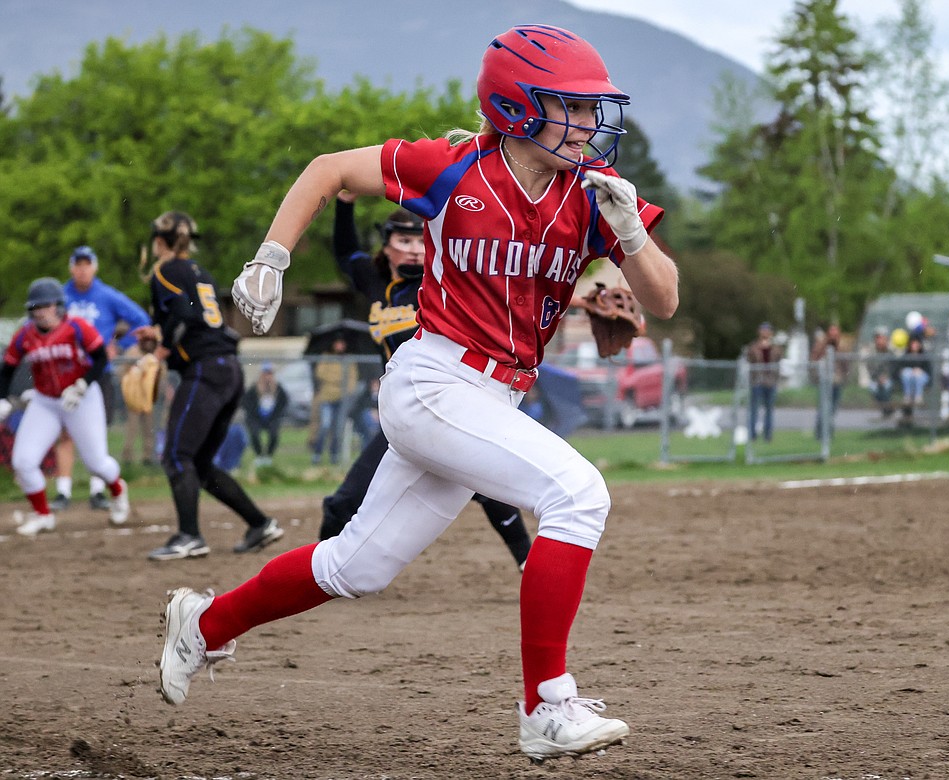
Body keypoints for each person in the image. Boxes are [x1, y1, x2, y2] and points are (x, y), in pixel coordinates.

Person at [159, 25, 677, 761]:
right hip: (435, 379)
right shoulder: (455, 167)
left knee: (353, 567)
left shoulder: (592, 196)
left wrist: (630, 235)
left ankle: (203, 626)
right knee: (579, 494)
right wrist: (271, 257)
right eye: (574, 105)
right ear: (520, 107)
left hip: (492, 400)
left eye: (595, 106)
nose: (593, 122)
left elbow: (664, 301)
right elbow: (328, 169)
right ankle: (547, 707)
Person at [319, 193, 533, 572]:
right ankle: (318, 572)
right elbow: (345, 250)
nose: (415, 249)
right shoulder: (376, 285)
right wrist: (346, 202)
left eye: (421, 239)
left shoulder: (446, 280)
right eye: (404, 241)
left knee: (487, 487)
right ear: (385, 247)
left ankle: (529, 562)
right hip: (406, 413)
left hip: (454, 401)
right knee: (343, 503)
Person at [144, 210, 285, 560]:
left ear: (158, 241)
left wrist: (159, 351)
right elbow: (197, 318)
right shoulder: (199, 272)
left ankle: (189, 536)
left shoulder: (164, 270)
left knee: (177, 455)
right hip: (229, 369)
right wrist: (159, 336)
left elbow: (184, 315)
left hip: (206, 369)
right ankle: (259, 523)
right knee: (201, 464)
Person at [0, 278, 129, 535]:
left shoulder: (77, 327)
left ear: (58, 306)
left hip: (82, 398)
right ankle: (43, 514)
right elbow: (8, 369)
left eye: (45, 306)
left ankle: (117, 489)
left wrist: (82, 385)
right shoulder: (26, 334)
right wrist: (3, 398)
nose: (40, 312)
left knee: (96, 463)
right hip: (46, 400)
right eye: (35, 308)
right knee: (23, 461)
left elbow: (101, 358)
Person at [53, 245, 152, 511]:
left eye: (87, 264)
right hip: (65, 373)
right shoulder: (60, 296)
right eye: (78, 264)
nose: (82, 269)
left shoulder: (106, 295)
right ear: (71, 267)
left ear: (94, 267)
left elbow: (140, 319)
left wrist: (118, 345)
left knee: (96, 435)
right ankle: (63, 491)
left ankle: (98, 490)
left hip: (98, 374)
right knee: (65, 433)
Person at [309, 336, 358, 466]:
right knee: (325, 425)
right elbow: (321, 374)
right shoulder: (326, 357)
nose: (340, 346)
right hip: (326, 397)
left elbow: (352, 379)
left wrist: (346, 390)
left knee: (338, 429)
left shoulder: (348, 359)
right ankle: (317, 453)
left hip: (342, 399)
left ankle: (334, 455)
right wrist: (339, 379)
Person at [120, 325, 164, 466]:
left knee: (150, 429)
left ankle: (148, 457)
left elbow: (163, 375)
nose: (148, 342)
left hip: (151, 399)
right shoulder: (132, 353)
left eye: (151, 339)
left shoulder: (157, 354)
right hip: (135, 397)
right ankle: (127, 458)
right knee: (131, 428)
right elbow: (122, 372)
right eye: (146, 339)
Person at [241, 362, 289, 467]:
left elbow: (284, 403)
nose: (267, 376)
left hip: (272, 418)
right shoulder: (254, 389)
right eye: (265, 373)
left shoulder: (278, 389)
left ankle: (268, 456)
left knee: (274, 434)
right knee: (254, 433)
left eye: (270, 373)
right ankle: (259, 455)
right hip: (256, 418)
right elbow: (245, 403)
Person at [745, 321, 780, 441]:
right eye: (763, 330)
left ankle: (768, 435)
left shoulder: (775, 348)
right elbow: (749, 358)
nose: (765, 332)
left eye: (767, 330)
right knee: (754, 409)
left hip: (770, 382)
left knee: (769, 410)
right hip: (757, 381)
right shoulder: (753, 347)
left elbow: (778, 359)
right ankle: (752, 435)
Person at [810, 323, 845, 436]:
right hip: (824, 381)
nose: (834, 335)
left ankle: (828, 431)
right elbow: (814, 360)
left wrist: (844, 376)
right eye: (832, 332)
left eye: (836, 333)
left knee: (833, 408)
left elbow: (846, 365)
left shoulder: (841, 347)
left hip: (836, 382)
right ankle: (821, 432)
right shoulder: (821, 345)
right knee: (824, 407)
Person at [898, 334, 931, 423]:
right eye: (913, 343)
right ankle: (907, 397)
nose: (915, 345)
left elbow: (929, 372)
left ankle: (918, 397)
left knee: (919, 376)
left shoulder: (924, 356)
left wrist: (919, 370)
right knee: (907, 372)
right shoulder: (905, 356)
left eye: (917, 343)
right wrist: (911, 370)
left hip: (921, 379)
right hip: (909, 379)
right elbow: (901, 371)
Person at [864, 326, 896, 418]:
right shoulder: (871, 354)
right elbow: (870, 369)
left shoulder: (890, 353)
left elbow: (892, 368)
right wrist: (878, 378)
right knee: (873, 388)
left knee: (887, 385)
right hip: (876, 380)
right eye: (877, 338)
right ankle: (886, 409)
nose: (879, 341)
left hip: (888, 379)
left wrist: (885, 377)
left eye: (882, 338)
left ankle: (887, 409)